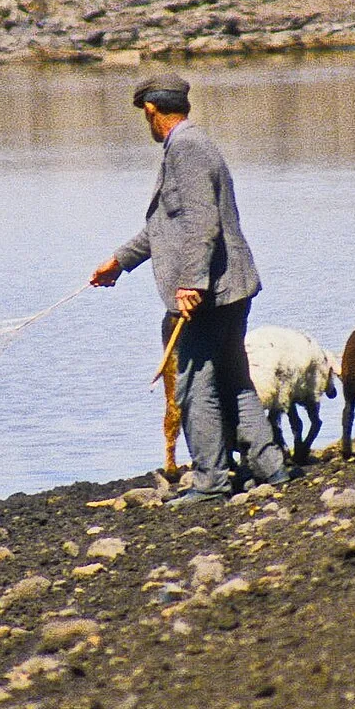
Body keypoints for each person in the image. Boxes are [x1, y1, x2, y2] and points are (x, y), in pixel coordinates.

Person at [90, 73, 292, 503]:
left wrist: (190, 284)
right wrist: (119, 262)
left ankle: (211, 480)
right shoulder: (191, 145)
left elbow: (202, 222)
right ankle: (271, 468)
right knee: (234, 378)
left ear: (151, 110)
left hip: (211, 292)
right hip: (226, 287)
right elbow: (167, 226)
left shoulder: (186, 148)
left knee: (195, 384)